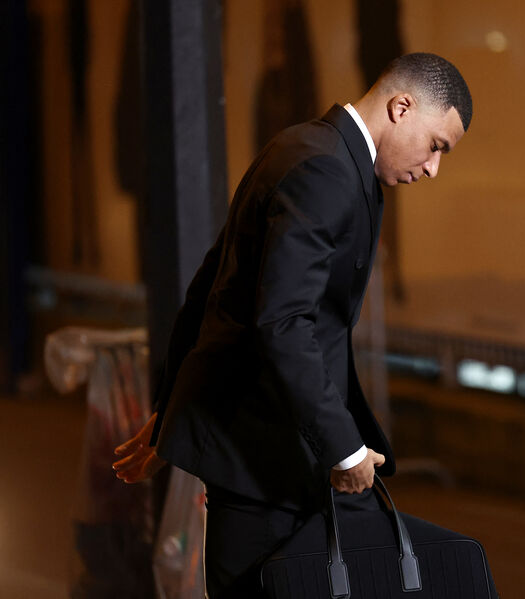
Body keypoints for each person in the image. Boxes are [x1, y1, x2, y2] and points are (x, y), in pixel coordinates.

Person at [112, 52, 472, 598]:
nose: (432, 167)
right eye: (436, 145)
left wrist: (169, 410)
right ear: (402, 107)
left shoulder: (305, 146)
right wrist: (343, 450)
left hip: (266, 454)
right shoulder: (327, 170)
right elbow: (282, 322)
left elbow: (213, 285)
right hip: (265, 461)